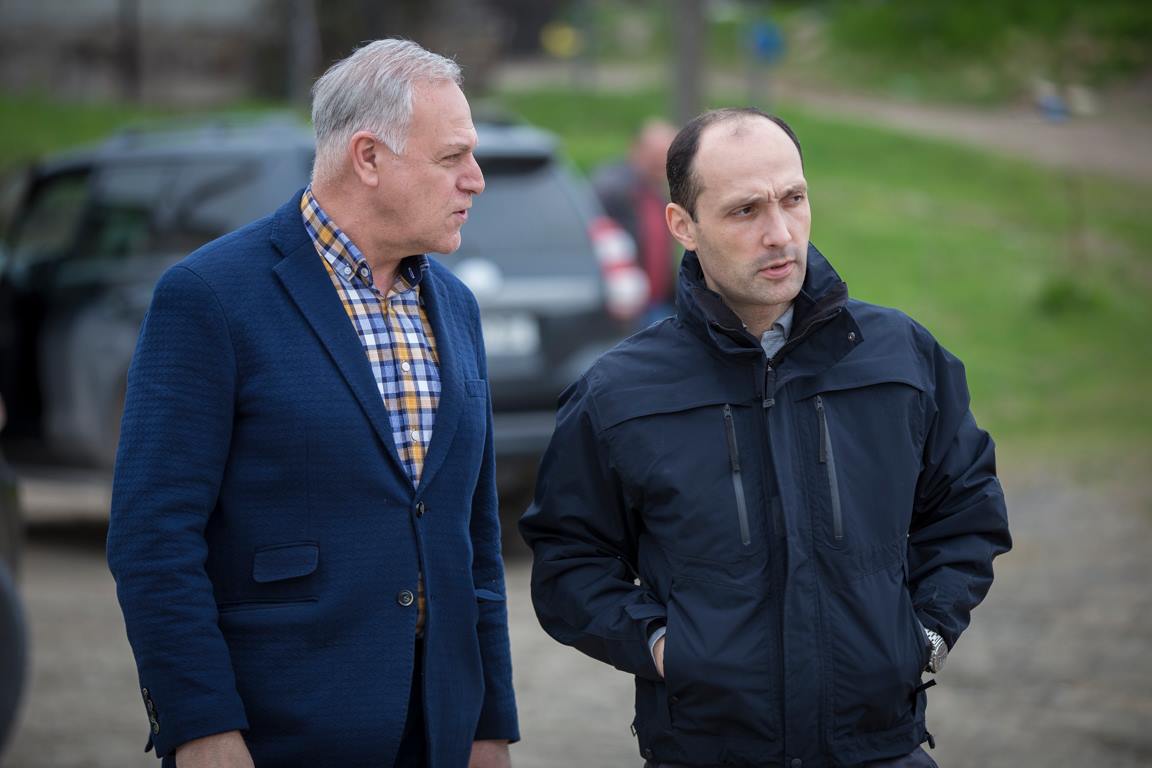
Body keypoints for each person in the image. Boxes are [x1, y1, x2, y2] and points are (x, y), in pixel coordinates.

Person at [520, 108, 1011, 767]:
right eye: (745, 210)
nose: (779, 234)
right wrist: (665, 648)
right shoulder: (619, 393)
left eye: (793, 199)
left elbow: (968, 510)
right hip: (708, 751)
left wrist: (924, 635)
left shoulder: (902, 358)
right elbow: (569, 561)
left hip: (880, 748)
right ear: (683, 226)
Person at [107, 39, 518, 768]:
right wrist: (199, 724)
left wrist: (488, 725)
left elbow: (475, 540)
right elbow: (153, 536)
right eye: (453, 157)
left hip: (440, 733)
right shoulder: (209, 296)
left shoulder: (456, 307)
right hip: (277, 732)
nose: (476, 180)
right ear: (369, 158)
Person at [592, 119, 680, 323]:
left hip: (659, 303)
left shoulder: (654, 191)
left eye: (668, 155)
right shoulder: (612, 189)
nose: (662, 162)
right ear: (636, 149)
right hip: (627, 306)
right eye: (655, 154)